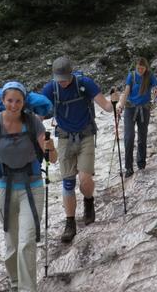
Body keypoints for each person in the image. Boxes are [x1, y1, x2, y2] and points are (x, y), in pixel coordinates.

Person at [0, 81, 57, 292]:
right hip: (4, 189)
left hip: (32, 186)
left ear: (24, 102)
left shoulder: (33, 122)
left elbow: (52, 158)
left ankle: (28, 291)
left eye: (18, 101)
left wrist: (51, 148)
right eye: (10, 100)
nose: (13, 105)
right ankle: (15, 283)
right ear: (3, 102)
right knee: (11, 243)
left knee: (27, 240)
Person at [42, 56, 115, 243]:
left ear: (71, 73)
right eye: (60, 79)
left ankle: (88, 200)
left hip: (86, 135)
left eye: (65, 78)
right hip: (65, 137)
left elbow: (106, 106)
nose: (63, 82)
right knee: (67, 182)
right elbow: (38, 112)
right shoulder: (51, 89)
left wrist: (117, 104)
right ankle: (70, 223)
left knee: (84, 179)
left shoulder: (85, 84)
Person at [116, 57, 157, 177]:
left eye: (142, 68)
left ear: (146, 68)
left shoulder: (150, 76)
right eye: (138, 68)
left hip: (144, 109)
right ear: (135, 67)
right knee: (129, 137)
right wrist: (120, 105)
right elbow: (126, 92)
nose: (140, 70)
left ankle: (141, 164)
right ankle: (129, 167)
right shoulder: (131, 76)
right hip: (130, 109)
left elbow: (155, 87)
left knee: (142, 137)